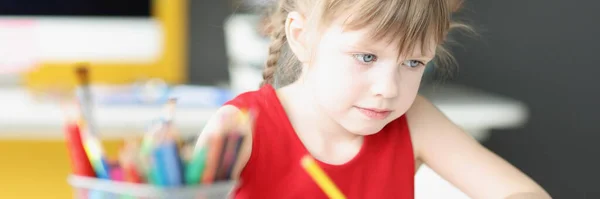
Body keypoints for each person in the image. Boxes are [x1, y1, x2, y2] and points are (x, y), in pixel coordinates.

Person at [196, 0, 551, 198]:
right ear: (301, 37)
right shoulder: (241, 125)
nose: (389, 88)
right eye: (366, 57)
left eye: (413, 63)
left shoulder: (415, 120)